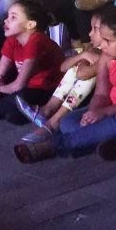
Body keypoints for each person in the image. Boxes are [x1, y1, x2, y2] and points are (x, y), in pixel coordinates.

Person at [13, 7, 116, 163]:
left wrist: (104, 113)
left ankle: (54, 146)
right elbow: (102, 93)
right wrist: (93, 112)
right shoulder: (107, 56)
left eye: (108, 41)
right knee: (68, 122)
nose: (103, 45)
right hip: (111, 110)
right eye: (103, 40)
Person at [16, 11, 104, 143]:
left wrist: (82, 62)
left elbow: (82, 74)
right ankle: (48, 109)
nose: (89, 33)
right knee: (74, 67)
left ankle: (54, 121)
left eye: (95, 29)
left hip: (95, 97)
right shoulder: (93, 49)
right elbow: (63, 67)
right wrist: (83, 56)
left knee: (87, 76)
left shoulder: (108, 55)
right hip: (77, 95)